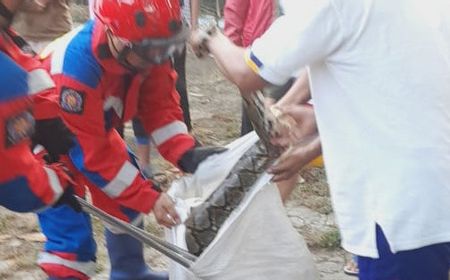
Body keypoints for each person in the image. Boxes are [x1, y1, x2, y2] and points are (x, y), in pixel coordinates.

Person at [192, 0, 450, 279]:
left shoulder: (330, 5)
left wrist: (209, 36)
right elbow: (395, 97)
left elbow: (246, 72)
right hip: (434, 197)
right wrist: (318, 129)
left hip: (397, 215)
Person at [35, 0, 226, 279]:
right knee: (70, 237)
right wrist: (149, 197)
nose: (159, 58)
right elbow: (91, 155)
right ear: (115, 36)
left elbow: (160, 107)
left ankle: (130, 272)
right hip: (49, 146)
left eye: (165, 48)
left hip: (96, 131)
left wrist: (186, 153)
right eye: (151, 51)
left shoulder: (150, 49)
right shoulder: (76, 65)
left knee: (125, 206)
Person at [0, 0, 75, 213]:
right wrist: (57, 185)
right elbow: (17, 184)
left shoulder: (7, 38)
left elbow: (27, 67)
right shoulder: (6, 79)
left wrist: (49, 117)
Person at [131, 0, 199, 176]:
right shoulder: (83, 71)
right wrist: (145, 194)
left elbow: (161, 112)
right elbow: (97, 151)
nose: (159, 58)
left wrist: (188, 155)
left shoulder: (153, 56)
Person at [223, 0, 275, 136]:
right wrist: (234, 55)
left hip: (297, 57)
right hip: (257, 57)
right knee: (253, 121)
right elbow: (234, 12)